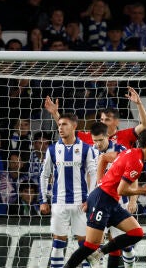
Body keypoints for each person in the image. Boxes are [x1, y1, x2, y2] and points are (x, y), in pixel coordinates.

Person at [64, 127, 146, 268]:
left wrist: (100, 182)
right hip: (102, 201)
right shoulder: (137, 162)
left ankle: (99, 254)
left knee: (136, 233)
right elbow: (121, 190)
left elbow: (103, 157)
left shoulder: (130, 151)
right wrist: (143, 190)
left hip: (110, 201)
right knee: (90, 245)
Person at [39, 113, 97, 268]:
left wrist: (90, 199)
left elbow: (94, 174)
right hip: (59, 203)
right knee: (58, 241)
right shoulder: (52, 149)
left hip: (81, 204)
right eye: (59, 125)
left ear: (74, 126)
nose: (60, 128)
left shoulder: (86, 149)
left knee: (85, 244)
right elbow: (44, 176)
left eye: (64, 124)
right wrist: (43, 200)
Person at [90, 121, 136, 268]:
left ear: (108, 137)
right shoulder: (90, 152)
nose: (97, 144)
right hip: (98, 203)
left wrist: (133, 200)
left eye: (100, 140)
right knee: (96, 244)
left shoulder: (121, 150)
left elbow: (132, 175)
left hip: (118, 202)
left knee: (124, 243)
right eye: (94, 140)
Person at [44, 87, 146, 149]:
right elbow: (67, 129)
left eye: (107, 119)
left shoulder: (125, 135)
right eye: (101, 119)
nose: (103, 122)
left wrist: (139, 104)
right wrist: (55, 113)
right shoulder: (89, 136)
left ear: (117, 122)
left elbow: (145, 125)